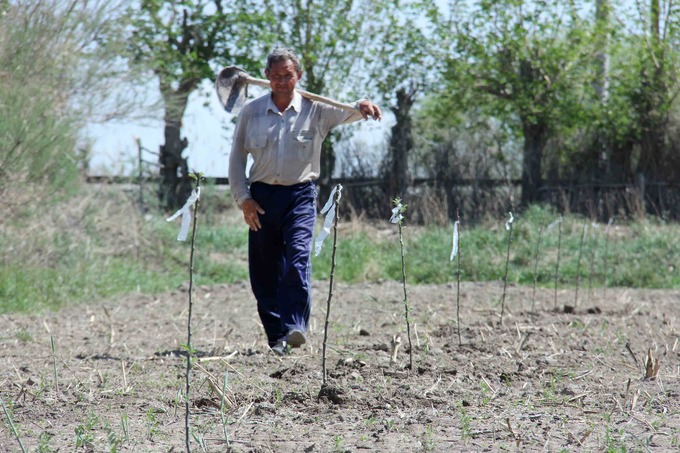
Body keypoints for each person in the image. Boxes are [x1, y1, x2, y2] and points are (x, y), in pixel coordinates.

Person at [228, 48, 382, 356]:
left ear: (298, 76)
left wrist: (361, 105)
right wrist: (243, 199)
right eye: (276, 76)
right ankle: (277, 337)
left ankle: (296, 325)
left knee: (298, 258)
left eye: (288, 75)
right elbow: (235, 160)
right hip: (261, 197)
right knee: (264, 271)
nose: (282, 81)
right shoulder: (251, 112)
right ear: (267, 78)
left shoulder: (317, 109)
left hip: (300, 195)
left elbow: (349, 112)